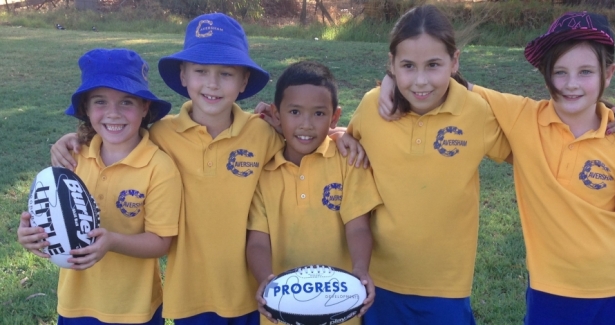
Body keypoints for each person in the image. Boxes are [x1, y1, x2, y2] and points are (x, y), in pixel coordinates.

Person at [49, 13, 368, 324]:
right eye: (201, 71)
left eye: (226, 74)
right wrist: (72, 139)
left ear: (244, 80)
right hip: (189, 294)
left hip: (249, 291)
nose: (212, 84)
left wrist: (338, 135)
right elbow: (116, 137)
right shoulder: (161, 135)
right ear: (184, 75)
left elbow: (302, 135)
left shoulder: (261, 134)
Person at [380, 11, 615, 325]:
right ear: (546, 73)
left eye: (585, 72)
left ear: (608, 74)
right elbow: (451, 80)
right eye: (560, 72)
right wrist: (391, 77)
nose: (571, 84)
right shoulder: (523, 117)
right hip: (548, 293)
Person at [347, 5, 511, 324]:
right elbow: (344, 140)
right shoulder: (372, 107)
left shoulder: (475, 111)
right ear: (391, 65)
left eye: (433, 65)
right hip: (379, 280)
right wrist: (344, 138)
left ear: (455, 62)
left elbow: (526, 151)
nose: (421, 80)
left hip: (446, 287)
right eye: (408, 66)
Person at [17, 48, 183, 324]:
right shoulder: (72, 158)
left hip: (135, 309)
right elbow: (53, 218)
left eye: (127, 102)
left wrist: (113, 241)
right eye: (100, 102)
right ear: (86, 108)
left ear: (145, 108)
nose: (113, 113)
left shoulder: (159, 167)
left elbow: (161, 243)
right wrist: (31, 234)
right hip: (74, 305)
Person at [245, 61, 381, 325]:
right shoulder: (263, 171)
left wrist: (361, 270)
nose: (306, 124)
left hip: (341, 309)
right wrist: (265, 279)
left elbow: (358, 228)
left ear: (334, 117)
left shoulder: (347, 161)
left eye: (318, 114)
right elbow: (258, 241)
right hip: (280, 312)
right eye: (294, 112)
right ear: (276, 114)